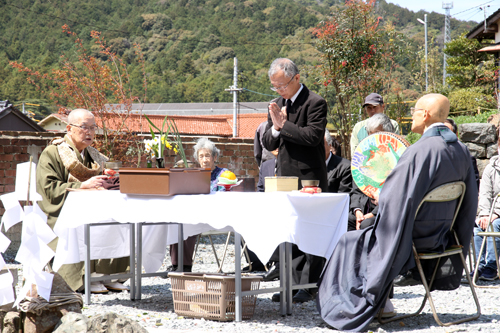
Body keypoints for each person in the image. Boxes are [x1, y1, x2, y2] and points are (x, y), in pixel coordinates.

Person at [317, 94, 478, 331]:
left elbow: (396, 198)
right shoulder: (460, 149)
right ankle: (383, 302)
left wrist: (379, 202)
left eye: (414, 111)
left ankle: (360, 304)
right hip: (442, 236)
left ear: (425, 115)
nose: (411, 115)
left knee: (349, 239)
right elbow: (469, 200)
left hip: (412, 237)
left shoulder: (420, 150)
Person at [36, 109, 130, 293]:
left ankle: (109, 274)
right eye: (84, 127)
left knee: (116, 219)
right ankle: (85, 276)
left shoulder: (93, 155)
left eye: (93, 128)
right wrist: (82, 186)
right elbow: (48, 188)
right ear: (69, 128)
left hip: (92, 206)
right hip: (60, 210)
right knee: (85, 222)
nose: (89, 132)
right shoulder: (53, 152)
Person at [262, 58, 327, 303]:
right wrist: (277, 129)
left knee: (309, 231)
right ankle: (290, 285)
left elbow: (312, 136)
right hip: (285, 177)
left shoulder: (315, 102)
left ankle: (309, 286)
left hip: (310, 177)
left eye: (282, 86)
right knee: (289, 231)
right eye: (275, 87)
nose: (279, 91)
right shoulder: (277, 104)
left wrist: (284, 124)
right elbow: (269, 143)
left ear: (296, 78)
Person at [166, 137, 227, 273]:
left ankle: (185, 266)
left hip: (215, 215)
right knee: (176, 219)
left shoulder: (223, 174)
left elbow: (222, 195)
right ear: (197, 159)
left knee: (188, 221)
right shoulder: (194, 175)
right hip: (197, 212)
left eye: (207, 155)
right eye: (201, 156)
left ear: (215, 157)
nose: (204, 159)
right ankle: (176, 264)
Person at [348, 113, 395, 231]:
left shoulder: (397, 157)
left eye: (377, 134)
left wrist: (372, 214)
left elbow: (396, 194)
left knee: (367, 224)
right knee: (346, 220)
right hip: (363, 208)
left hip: (384, 210)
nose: (372, 138)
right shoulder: (364, 156)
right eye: (370, 133)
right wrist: (357, 211)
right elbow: (356, 189)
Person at [471, 133, 500, 281]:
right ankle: (479, 265)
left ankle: (492, 266)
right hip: (491, 212)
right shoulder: (491, 168)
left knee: (494, 224)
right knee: (478, 226)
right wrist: (484, 213)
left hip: (497, 215)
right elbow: (485, 194)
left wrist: (495, 212)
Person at [350, 93, 399, 157]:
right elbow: (354, 152)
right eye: (369, 108)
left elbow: (396, 147)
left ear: (383, 107)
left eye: (375, 107)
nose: (372, 110)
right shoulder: (358, 127)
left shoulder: (392, 124)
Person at [444, 118, 480, 189]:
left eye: (447, 131)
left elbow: (474, 187)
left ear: (456, 135)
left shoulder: (467, 159)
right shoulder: (432, 158)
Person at [325, 130, 352, 194]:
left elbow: (343, 196)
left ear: (330, 146)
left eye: (321, 145)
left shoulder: (345, 167)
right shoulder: (308, 165)